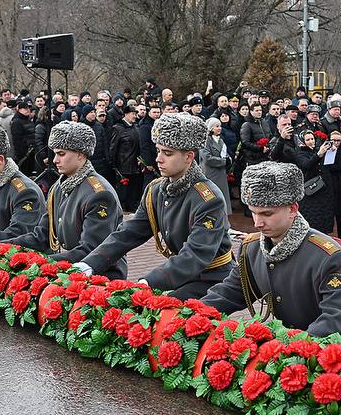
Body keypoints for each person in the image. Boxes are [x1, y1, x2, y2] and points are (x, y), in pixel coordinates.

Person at [201, 162, 341, 352]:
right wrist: (193, 313)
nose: (257, 223)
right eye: (253, 212)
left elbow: (337, 317)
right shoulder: (251, 248)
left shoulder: (328, 256)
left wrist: (291, 349)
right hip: (297, 343)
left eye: (267, 214)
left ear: (293, 209)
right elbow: (231, 292)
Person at [71, 114, 231, 299]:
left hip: (212, 279)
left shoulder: (208, 199)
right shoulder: (155, 190)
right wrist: (89, 264)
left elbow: (196, 254)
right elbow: (129, 232)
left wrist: (149, 282)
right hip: (181, 275)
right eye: (158, 151)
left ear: (189, 157)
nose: (158, 159)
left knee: (156, 309)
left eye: (167, 153)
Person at [13, 121, 127, 279]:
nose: (55, 160)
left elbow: (91, 249)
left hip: (99, 277)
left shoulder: (99, 194)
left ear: (80, 154)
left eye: (61, 154)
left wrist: (41, 262)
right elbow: (42, 235)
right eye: (55, 154)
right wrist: (0, 247)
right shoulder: (58, 188)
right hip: (70, 270)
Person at [271, 119, 333, 234]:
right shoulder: (277, 140)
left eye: (289, 124)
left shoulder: (297, 138)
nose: (287, 126)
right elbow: (273, 156)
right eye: (284, 124)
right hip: (289, 182)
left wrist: (329, 151)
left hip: (308, 183)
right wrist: (281, 138)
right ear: (278, 126)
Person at [200, 117, 232, 214]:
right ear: (211, 128)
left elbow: (224, 154)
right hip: (211, 173)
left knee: (222, 195)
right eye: (217, 126)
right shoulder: (205, 141)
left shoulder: (220, 140)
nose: (219, 128)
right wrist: (223, 161)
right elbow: (207, 158)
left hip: (221, 173)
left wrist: (229, 159)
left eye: (220, 126)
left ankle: (223, 214)